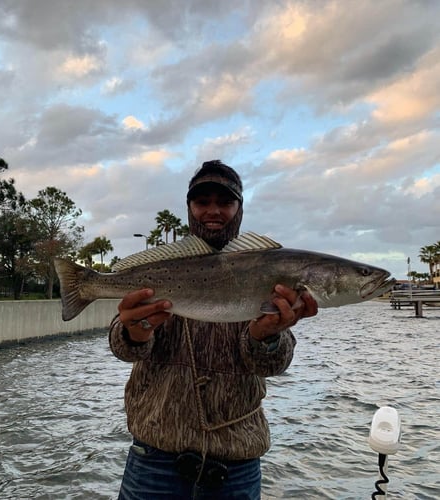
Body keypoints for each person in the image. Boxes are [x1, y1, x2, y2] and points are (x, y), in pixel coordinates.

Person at [109, 160, 318, 499]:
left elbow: (274, 366)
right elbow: (123, 346)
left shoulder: (271, 269)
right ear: (190, 208)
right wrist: (135, 332)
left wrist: (265, 337)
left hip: (235, 462)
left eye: (225, 202)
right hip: (154, 457)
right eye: (202, 202)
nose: (213, 211)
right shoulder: (166, 268)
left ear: (239, 209)